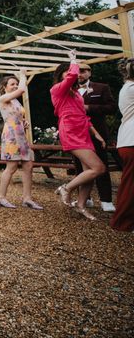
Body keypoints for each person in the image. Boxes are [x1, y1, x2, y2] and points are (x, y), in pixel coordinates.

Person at [50, 51, 106, 221]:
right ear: (61, 76)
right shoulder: (57, 89)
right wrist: (73, 60)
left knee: (90, 171)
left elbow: (85, 118)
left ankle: (81, 205)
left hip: (83, 132)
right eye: (66, 72)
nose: (72, 73)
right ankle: (66, 188)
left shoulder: (77, 95)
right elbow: (72, 75)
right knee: (99, 168)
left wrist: (97, 135)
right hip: (71, 131)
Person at [72, 63, 117, 212]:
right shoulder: (71, 89)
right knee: (79, 166)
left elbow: (111, 108)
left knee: (101, 165)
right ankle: (86, 199)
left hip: (97, 134)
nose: (80, 74)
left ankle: (106, 200)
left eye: (84, 71)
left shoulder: (101, 87)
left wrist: (89, 108)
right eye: (78, 71)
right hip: (77, 134)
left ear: (90, 72)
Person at [0, 71, 43, 210]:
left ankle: (27, 198)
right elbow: (22, 89)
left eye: (17, 83)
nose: (16, 86)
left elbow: (18, 116)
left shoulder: (15, 101)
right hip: (11, 136)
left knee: (28, 166)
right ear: (4, 87)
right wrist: (22, 76)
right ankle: (1, 198)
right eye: (12, 84)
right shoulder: (4, 98)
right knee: (11, 167)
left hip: (21, 135)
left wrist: (24, 122)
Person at [110, 58, 134, 232]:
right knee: (130, 184)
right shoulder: (132, 88)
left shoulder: (127, 88)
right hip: (132, 141)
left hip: (128, 139)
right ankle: (122, 222)